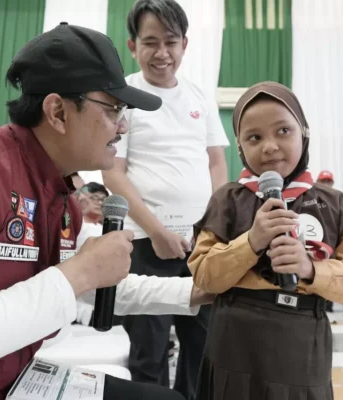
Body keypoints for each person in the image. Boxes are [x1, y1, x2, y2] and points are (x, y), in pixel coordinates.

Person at [0, 22, 210, 400]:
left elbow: (101, 282)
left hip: (7, 379)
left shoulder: (58, 197)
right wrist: (80, 272)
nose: (124, 126)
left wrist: (201, 291)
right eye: (114, 109)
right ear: (58, 112)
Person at [188, 82, 343, 400]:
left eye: (283, 131)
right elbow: (204, 276)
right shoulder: (227, 200)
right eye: (254, 137)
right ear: (239, 148)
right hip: (234, 339)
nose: (270, 147)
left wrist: (310, 268)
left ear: (304, 133)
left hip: (303, 344)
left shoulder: (335, 204)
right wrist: (251, 241)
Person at [102, 1, 229, 398]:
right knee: (149, 352)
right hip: (145, 243)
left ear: (184, 44)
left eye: (171, 42)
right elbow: (112, 172)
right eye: (150, 42)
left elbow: (217, 165)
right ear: (132, 46)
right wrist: (156, 231)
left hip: (200, 245)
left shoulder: (200, 97)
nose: (162, 53)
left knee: (203, 349)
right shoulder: (122, 97)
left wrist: (213, 228)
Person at [316, 170, 335, 312]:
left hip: (334, 239)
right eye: (323, 181)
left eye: (328, 181)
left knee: (335, 270)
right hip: (318, 240)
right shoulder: (312, 197)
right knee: (320, 270)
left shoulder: (338, 199)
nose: (326, 184)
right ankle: (323, 303)